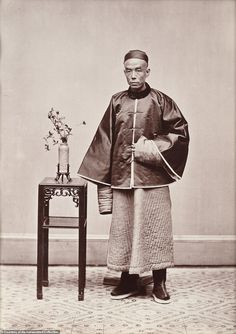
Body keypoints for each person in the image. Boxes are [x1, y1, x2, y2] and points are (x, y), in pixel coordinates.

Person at [78, 50, 189, 304]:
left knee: (156, 229)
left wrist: (150, 147)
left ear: (147, 71)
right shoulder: (116, 101)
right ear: (124, 71)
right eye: (129, 70)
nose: (134, 75)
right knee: (124, 229)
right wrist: (100, 176)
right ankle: (128, 279)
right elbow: (104, 140)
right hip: (122, 176)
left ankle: (159, 281)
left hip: (153, 179)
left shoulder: (161, 101)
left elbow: (179, 133)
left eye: (139, 70)